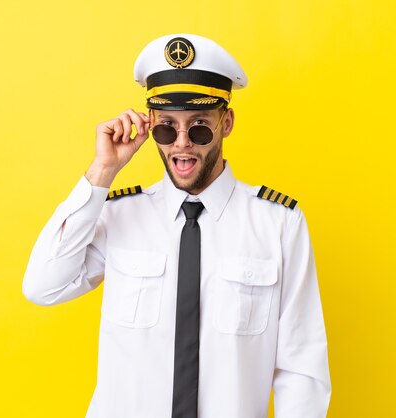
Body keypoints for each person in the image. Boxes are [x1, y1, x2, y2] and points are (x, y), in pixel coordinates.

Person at [22, 34, 331, 418]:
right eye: (166, 127)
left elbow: (301, 365)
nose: (181, 144)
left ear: (227, 122)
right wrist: (103, 171)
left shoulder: (278, 223)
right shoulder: (118, 214)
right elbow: (42, 286)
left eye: (199, 126)